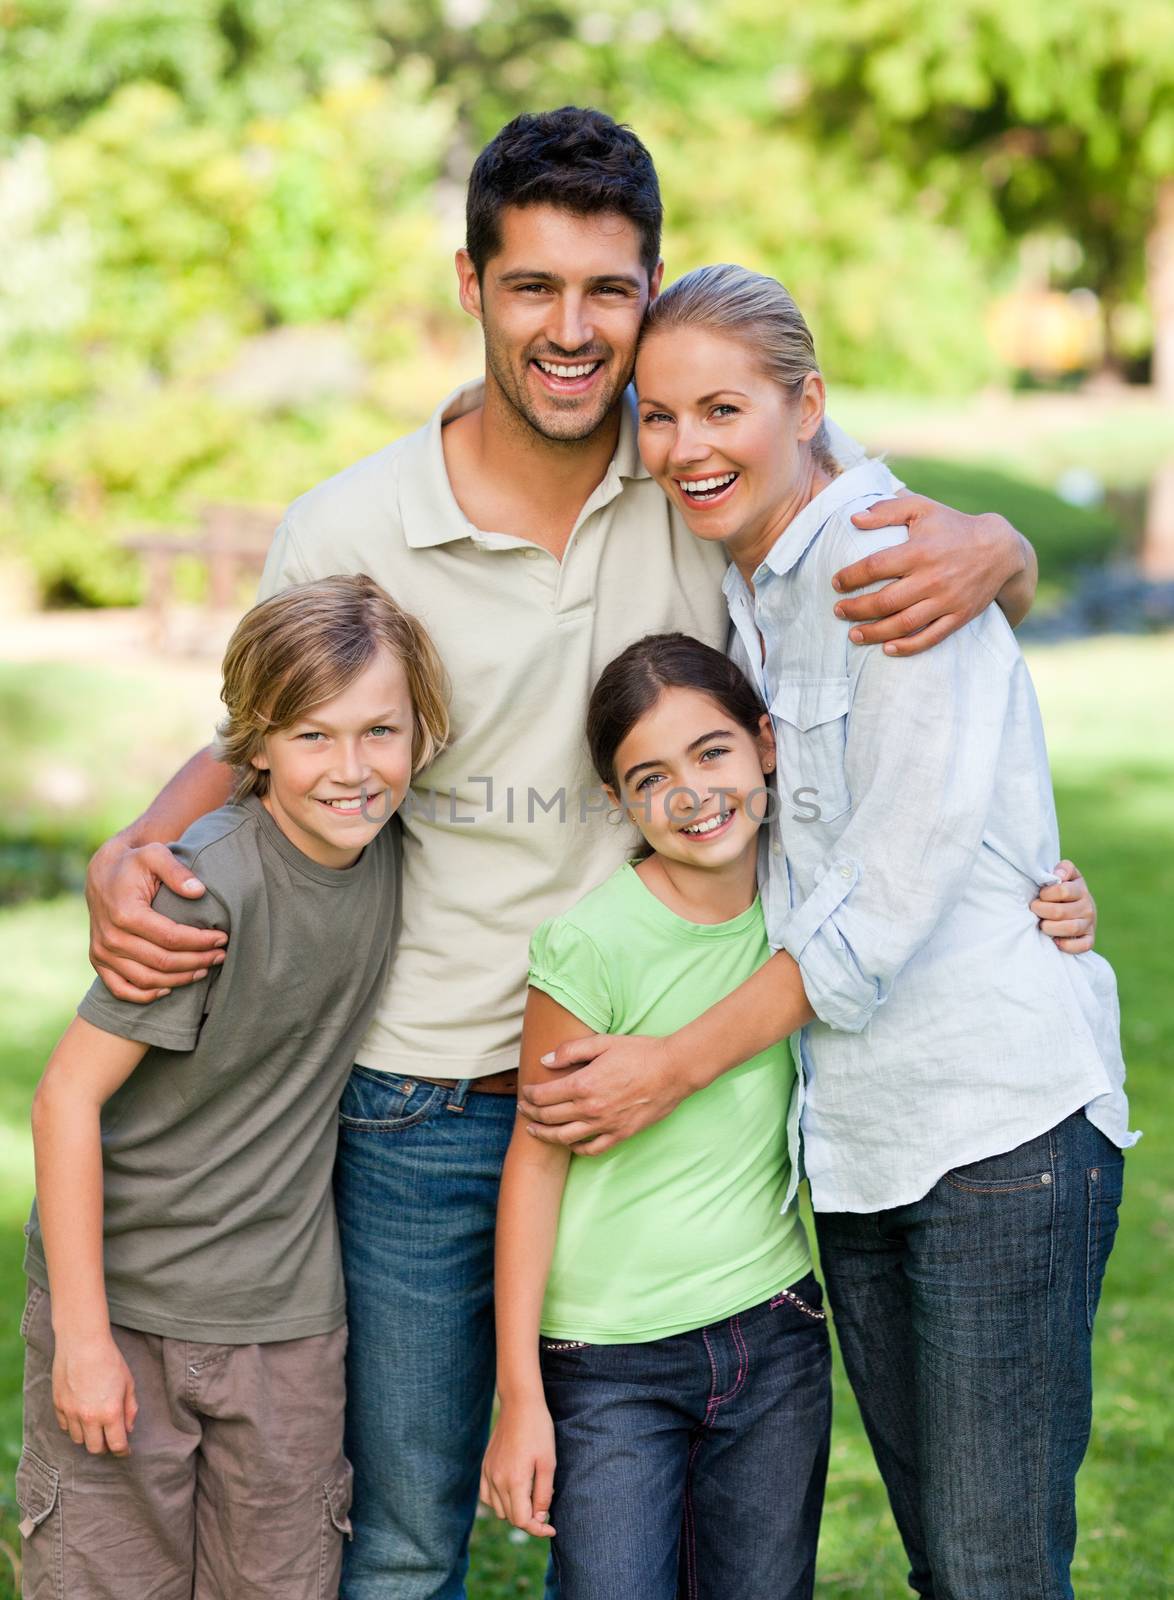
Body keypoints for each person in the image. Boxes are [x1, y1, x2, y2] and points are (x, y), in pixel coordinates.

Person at [80, 109, 1097, 1599]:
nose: (570, 330)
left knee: (700, 1525)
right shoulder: (352, 524)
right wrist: (136, 844)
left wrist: (998, 544)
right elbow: (263, 735)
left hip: (685, 1094)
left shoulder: (693, 475)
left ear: (650, 291)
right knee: (411, 1534)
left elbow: (869, 530)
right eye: (530, 287)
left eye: (606, 290)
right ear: (470, 284)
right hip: (423, 1106)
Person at [525, 264, 1135, 1599]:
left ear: (805, 404)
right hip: (859, 1148)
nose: (685, 447)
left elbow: (880, 911)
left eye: (722, 409)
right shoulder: (756, 571)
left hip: (996, 1129)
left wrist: (665, 1065)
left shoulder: (885, 562)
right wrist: (1010, 548)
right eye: (660, 414)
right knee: (947, 1566)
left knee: (989, 1571)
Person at [18, 575, 448, 1600]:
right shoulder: (201, 894)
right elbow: (63, 1098)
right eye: (311, 736)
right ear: (253, 748)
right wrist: (82, 1339)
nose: (351, 771)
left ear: (423, 731)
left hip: (287, 1321)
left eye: (380, 731)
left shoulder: (396, 847)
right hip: (128, 1308)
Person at [481, 634, 830, 1600]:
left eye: (711, 752)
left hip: (773, 1330)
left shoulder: (806, 905)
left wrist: (1053, 905)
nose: (691, 793)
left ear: (765, 745)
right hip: (608, 1365)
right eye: (651, 776)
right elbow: (535, 1162)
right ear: (618, 803)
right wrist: (521, 1398)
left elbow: (928, 903)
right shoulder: (593, 944)